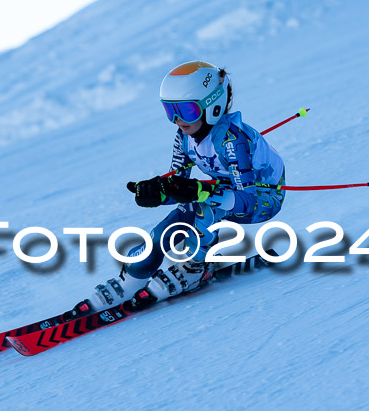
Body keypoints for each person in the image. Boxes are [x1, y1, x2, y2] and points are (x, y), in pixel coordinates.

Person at [67, 61, 287, 319]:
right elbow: (178, 182)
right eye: (169, 110)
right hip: (226, 191)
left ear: (212, 106)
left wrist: (200, 192)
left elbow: (247, 200)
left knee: (204, 209)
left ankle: (197, 267)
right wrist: (159, 192)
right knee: (175, 221)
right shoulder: (183, 137)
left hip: (262, 198)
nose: (177, 120)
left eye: (185, 110)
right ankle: (134, 276)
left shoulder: (232, 141)